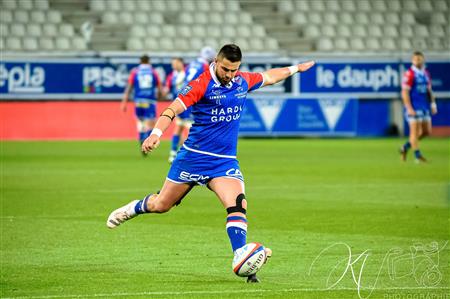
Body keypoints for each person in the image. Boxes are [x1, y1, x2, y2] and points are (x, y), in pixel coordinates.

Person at [107, 44, 315, 282]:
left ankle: (242, 258)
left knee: (238, 203)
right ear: (216, 61)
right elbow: (172, 109)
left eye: (234, 70)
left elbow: (270, 76)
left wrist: (296, 68)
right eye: (226, 69)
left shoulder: (241, 82)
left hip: (223, 162)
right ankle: (132, 208)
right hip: (193, 157)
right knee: (161, 205)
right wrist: (155, 134)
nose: (229, 75)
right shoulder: (200, 84)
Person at [166, 47, 216, 163]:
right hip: (192, 98)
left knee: (178, 128)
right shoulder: (205, 67)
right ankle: (192, 155)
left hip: (183, 96)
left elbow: (184, 80)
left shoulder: (192, 64)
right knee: (191, 130)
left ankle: (173, 154)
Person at [399, 51, 437, 163]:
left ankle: (405, 147)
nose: (417, 61)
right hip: (414, 107)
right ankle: (417, 156)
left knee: (427, 131)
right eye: (415, 59)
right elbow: (405, 92)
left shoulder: (425, 73)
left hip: (424, 106)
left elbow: (429, 91)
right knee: (414, 133)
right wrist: (409, 108)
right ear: (412, 60)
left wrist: (433, 104)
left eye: (419, 59)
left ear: (423, 60)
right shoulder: (409, 74)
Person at [121, 54, 162, 149]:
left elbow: (129, 87)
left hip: (138, 101)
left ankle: (141, 137)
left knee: (140, 121)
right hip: (150, 101)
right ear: (149, 61)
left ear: (140, 61)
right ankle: (147, 142)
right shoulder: (153, 72)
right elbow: (159, 87)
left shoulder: (135, 71)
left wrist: (124, 102)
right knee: (150, 123)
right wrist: (160, 96)